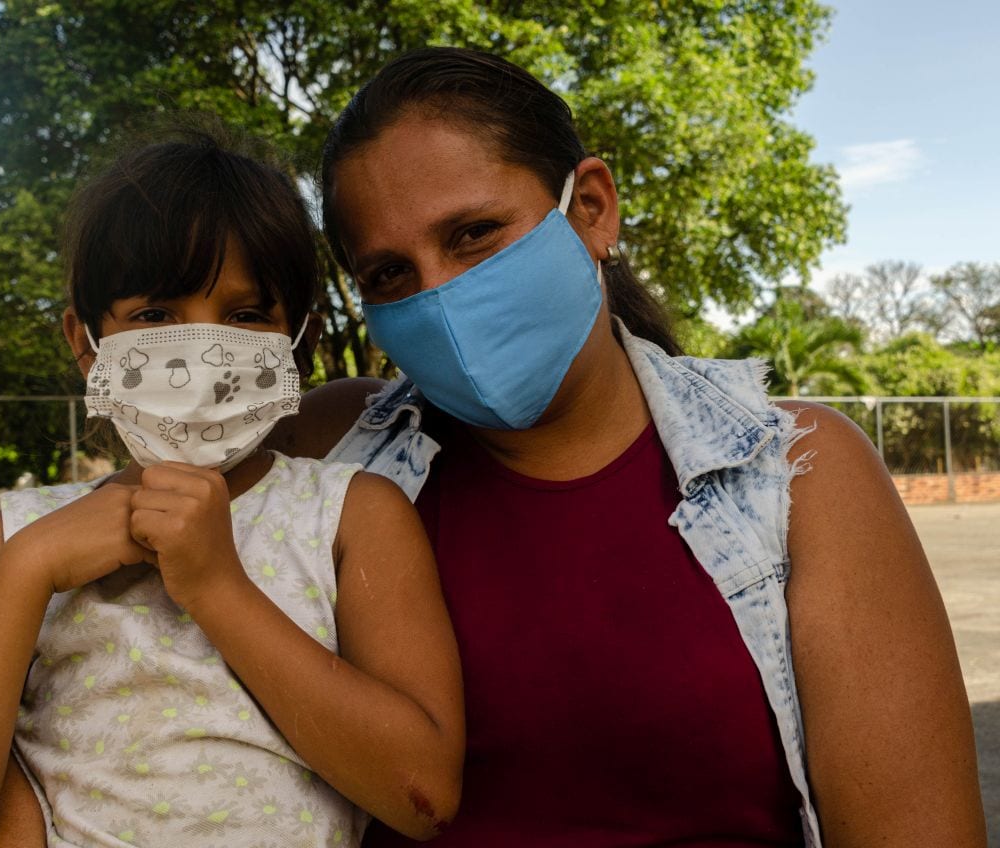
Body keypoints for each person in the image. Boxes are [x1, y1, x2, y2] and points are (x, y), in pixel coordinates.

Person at [279, 47, 982, 847]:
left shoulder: (798, 473)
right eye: (390, 274)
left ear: (591, 209)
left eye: (474, 234)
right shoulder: (329, 450)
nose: (439, 295)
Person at [0, 129, 464, 848]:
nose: (203, 349)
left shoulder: (350, 516)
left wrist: (217, 587)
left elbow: (425, 794)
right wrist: (25, 571)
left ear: (296, 340)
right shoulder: (15, 538)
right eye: (155, 315)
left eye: (247, 315)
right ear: (86, 342)